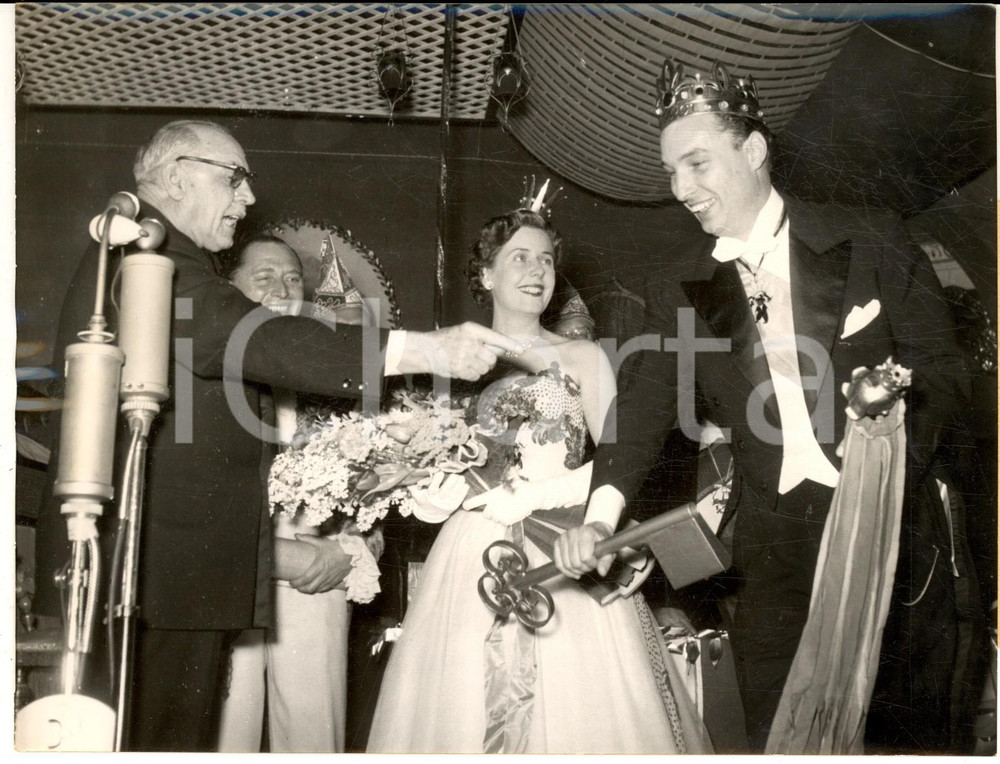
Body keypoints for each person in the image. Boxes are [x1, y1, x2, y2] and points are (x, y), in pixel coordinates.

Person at [32, 119, 524, 751]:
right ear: (178, 174)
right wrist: (428, 347)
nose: (248, 198)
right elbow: (255, 337)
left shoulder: (151, 257)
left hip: (172, 577)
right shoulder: (152, 258)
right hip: (162, 579)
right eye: (235, 178)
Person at [555, 61, 972, 752]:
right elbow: (641, 408)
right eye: (670, 172)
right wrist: (599, 520)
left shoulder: (872, 236)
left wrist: (886, 466)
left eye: (697, 164)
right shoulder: (679, 288)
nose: (681, 189)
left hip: (893, 541)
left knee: (906, 737)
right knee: (778, 734)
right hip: (773, 554)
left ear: (752, 151)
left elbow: (943, 374)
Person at [365, 203, 710, 754]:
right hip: (471, 551)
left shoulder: (581, 356)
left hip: (562, 541)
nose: (535, 271)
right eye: (519, 258)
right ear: (485, 274)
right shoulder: (447, 353)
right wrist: (432, 487)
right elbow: (433, 456)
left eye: (545, 260)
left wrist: (546, 493)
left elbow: (621, 457)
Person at [216, 235, 381, 752]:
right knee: (225, 731)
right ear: (228, 290)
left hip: (320, 565)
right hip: (233, 571)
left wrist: (354, 548)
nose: (282, 290)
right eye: (263, 278)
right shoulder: (209, 374)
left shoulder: (330, 380)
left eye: (292, 279)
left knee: (314, 731)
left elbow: (371, 486)